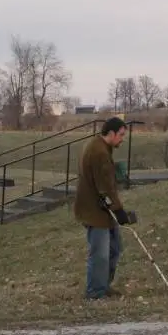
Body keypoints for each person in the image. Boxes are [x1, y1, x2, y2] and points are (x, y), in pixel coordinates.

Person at [73, 116, 134, 300]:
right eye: (121, 135)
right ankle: (95, 292)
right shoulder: (99, 153)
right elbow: (105, 187)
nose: (122, 139)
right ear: (111, 133)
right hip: (95, 212)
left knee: (114, 248)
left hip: (103, 210)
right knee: (100, 253)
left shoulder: (98, 146)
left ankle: (103, 285)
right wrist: (119, 211)